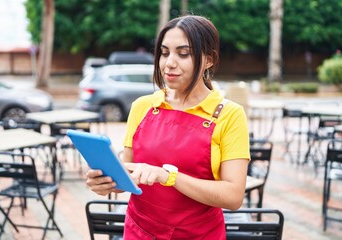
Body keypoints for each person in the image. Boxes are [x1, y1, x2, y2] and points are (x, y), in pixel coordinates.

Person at [86, 15, 250, 240]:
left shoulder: (229, 115)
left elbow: (233, 196)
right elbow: (130, 174)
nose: (169, 63)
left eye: (183, 54)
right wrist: (107, 183)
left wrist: (169, 177)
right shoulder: (143, 106)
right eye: (164, 53)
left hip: (198, 235)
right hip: (139, 231)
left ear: (209, 60)